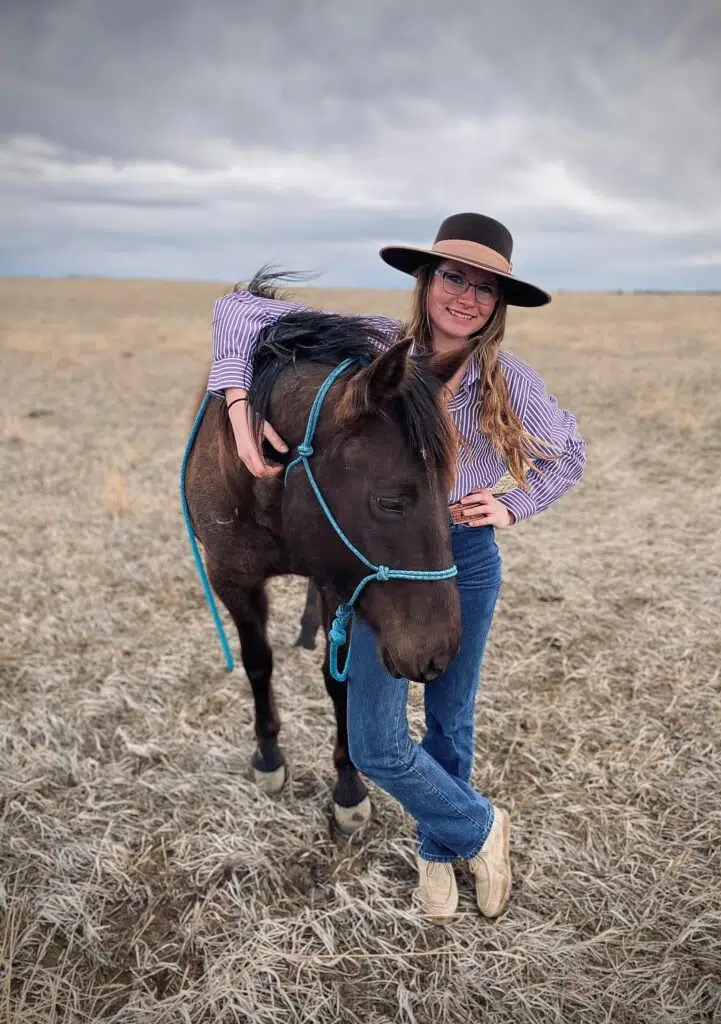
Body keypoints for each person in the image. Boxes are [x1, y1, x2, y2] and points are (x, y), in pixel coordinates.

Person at [207, 212, 586, 923]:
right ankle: (480, 828)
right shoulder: (377, 345)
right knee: (378, 743)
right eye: (454, 276)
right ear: (426, 279)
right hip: (382, 559)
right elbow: (237, 309)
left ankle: (439, 854)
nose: (466, 297)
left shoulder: (510, 381)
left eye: (486, 288)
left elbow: (570, 455)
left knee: (450, 721)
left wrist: (513, 507)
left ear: (499, 304)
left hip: (459, 557)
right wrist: (235, 403)